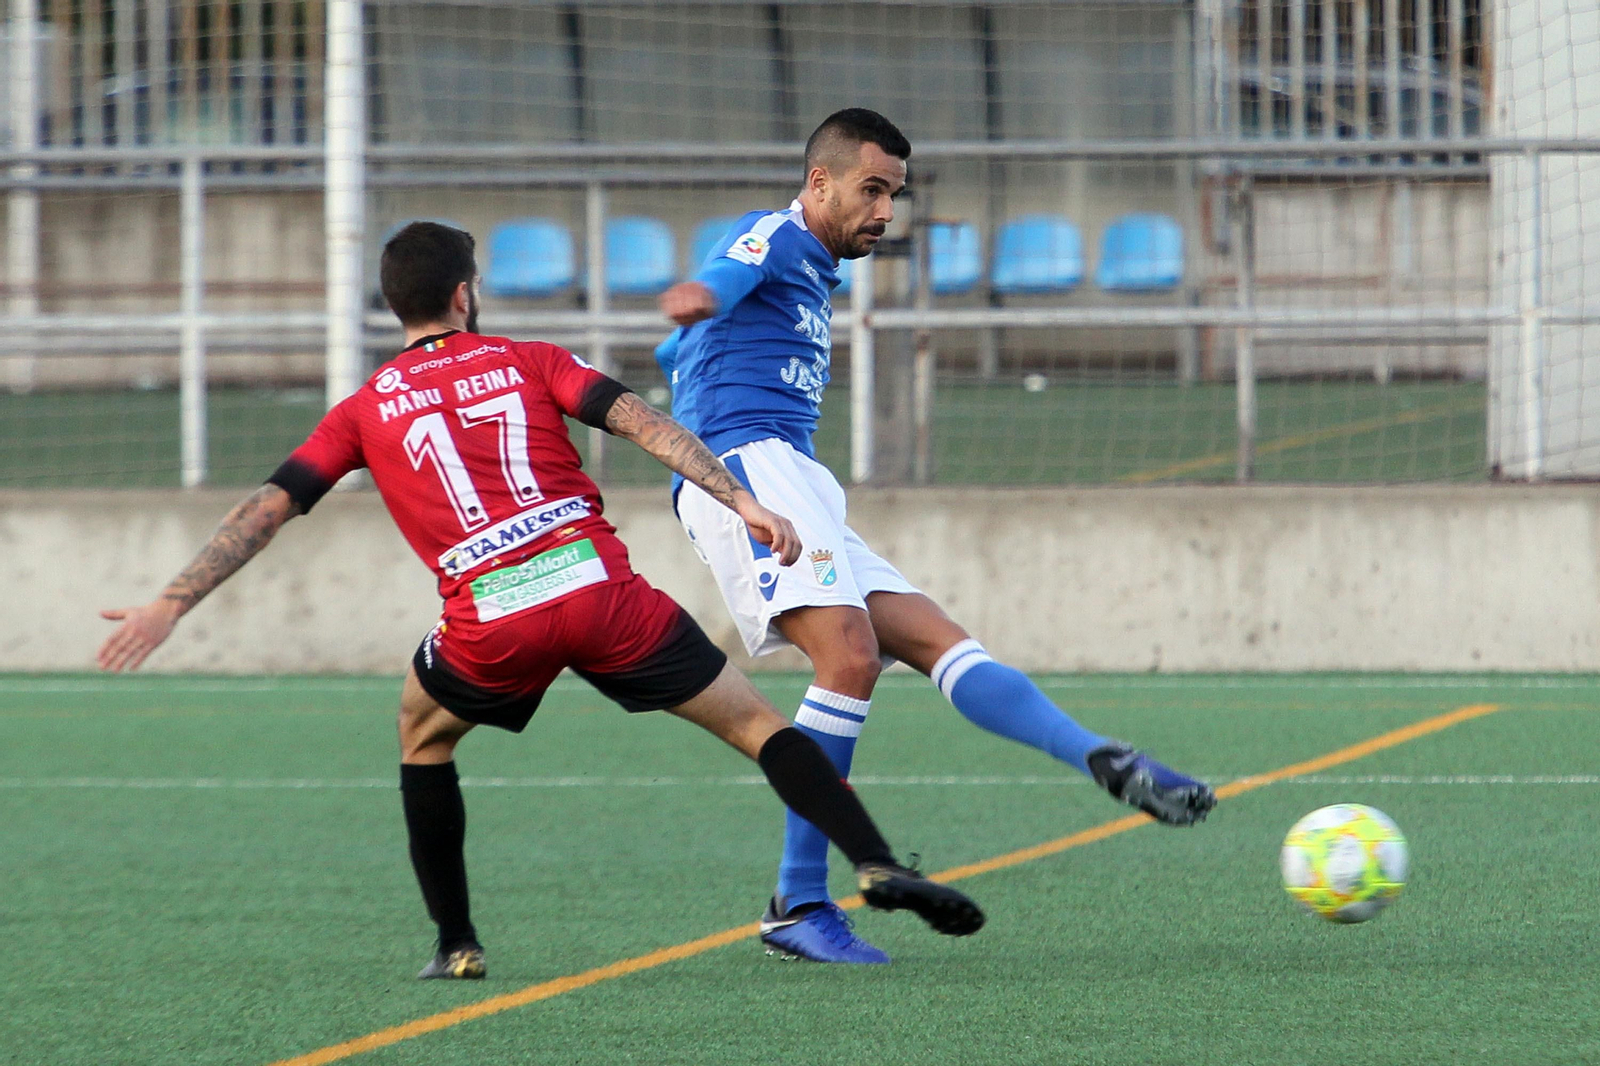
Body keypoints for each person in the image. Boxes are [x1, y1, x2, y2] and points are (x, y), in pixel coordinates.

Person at [97, 221, 983, 980]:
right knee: (760, 727)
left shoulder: (362, 411)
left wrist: (170, 603)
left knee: (422, 734)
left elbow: (269, 508)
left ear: (396, 306)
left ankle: (456, 944)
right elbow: (643, 422)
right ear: (465, 294)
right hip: (600, 592)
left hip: (492, 617)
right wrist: (740, 499)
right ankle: (870, 860)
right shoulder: (530, 360)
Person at [655, 109, 1216, 965]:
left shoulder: (814, 266)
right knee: (847, 658)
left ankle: (1102, 757)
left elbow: (685, 343)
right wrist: (703, 300)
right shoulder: (775, 233)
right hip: (746, 469)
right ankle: (797, 901)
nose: (886, 211)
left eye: (894, 194)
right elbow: (728, 273)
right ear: (820, 182)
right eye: (871, 189)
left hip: (795, 476)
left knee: (937, 640)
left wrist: (685, 345)